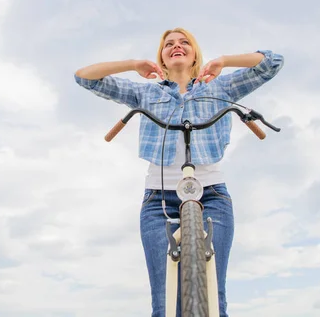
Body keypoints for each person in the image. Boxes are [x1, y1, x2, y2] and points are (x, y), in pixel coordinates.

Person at [74, 27, 284, 316]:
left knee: (213, 295)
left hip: (212, 196)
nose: (177, 46)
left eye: (185, 42)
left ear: (195, 53)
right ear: (161, 56)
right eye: (168, 44)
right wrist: (133, 65)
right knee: (165, 301)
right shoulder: (145, 93)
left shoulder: (220, 88)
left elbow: (272, 62)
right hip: (158, 200)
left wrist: (224, 60)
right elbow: (84, 76)